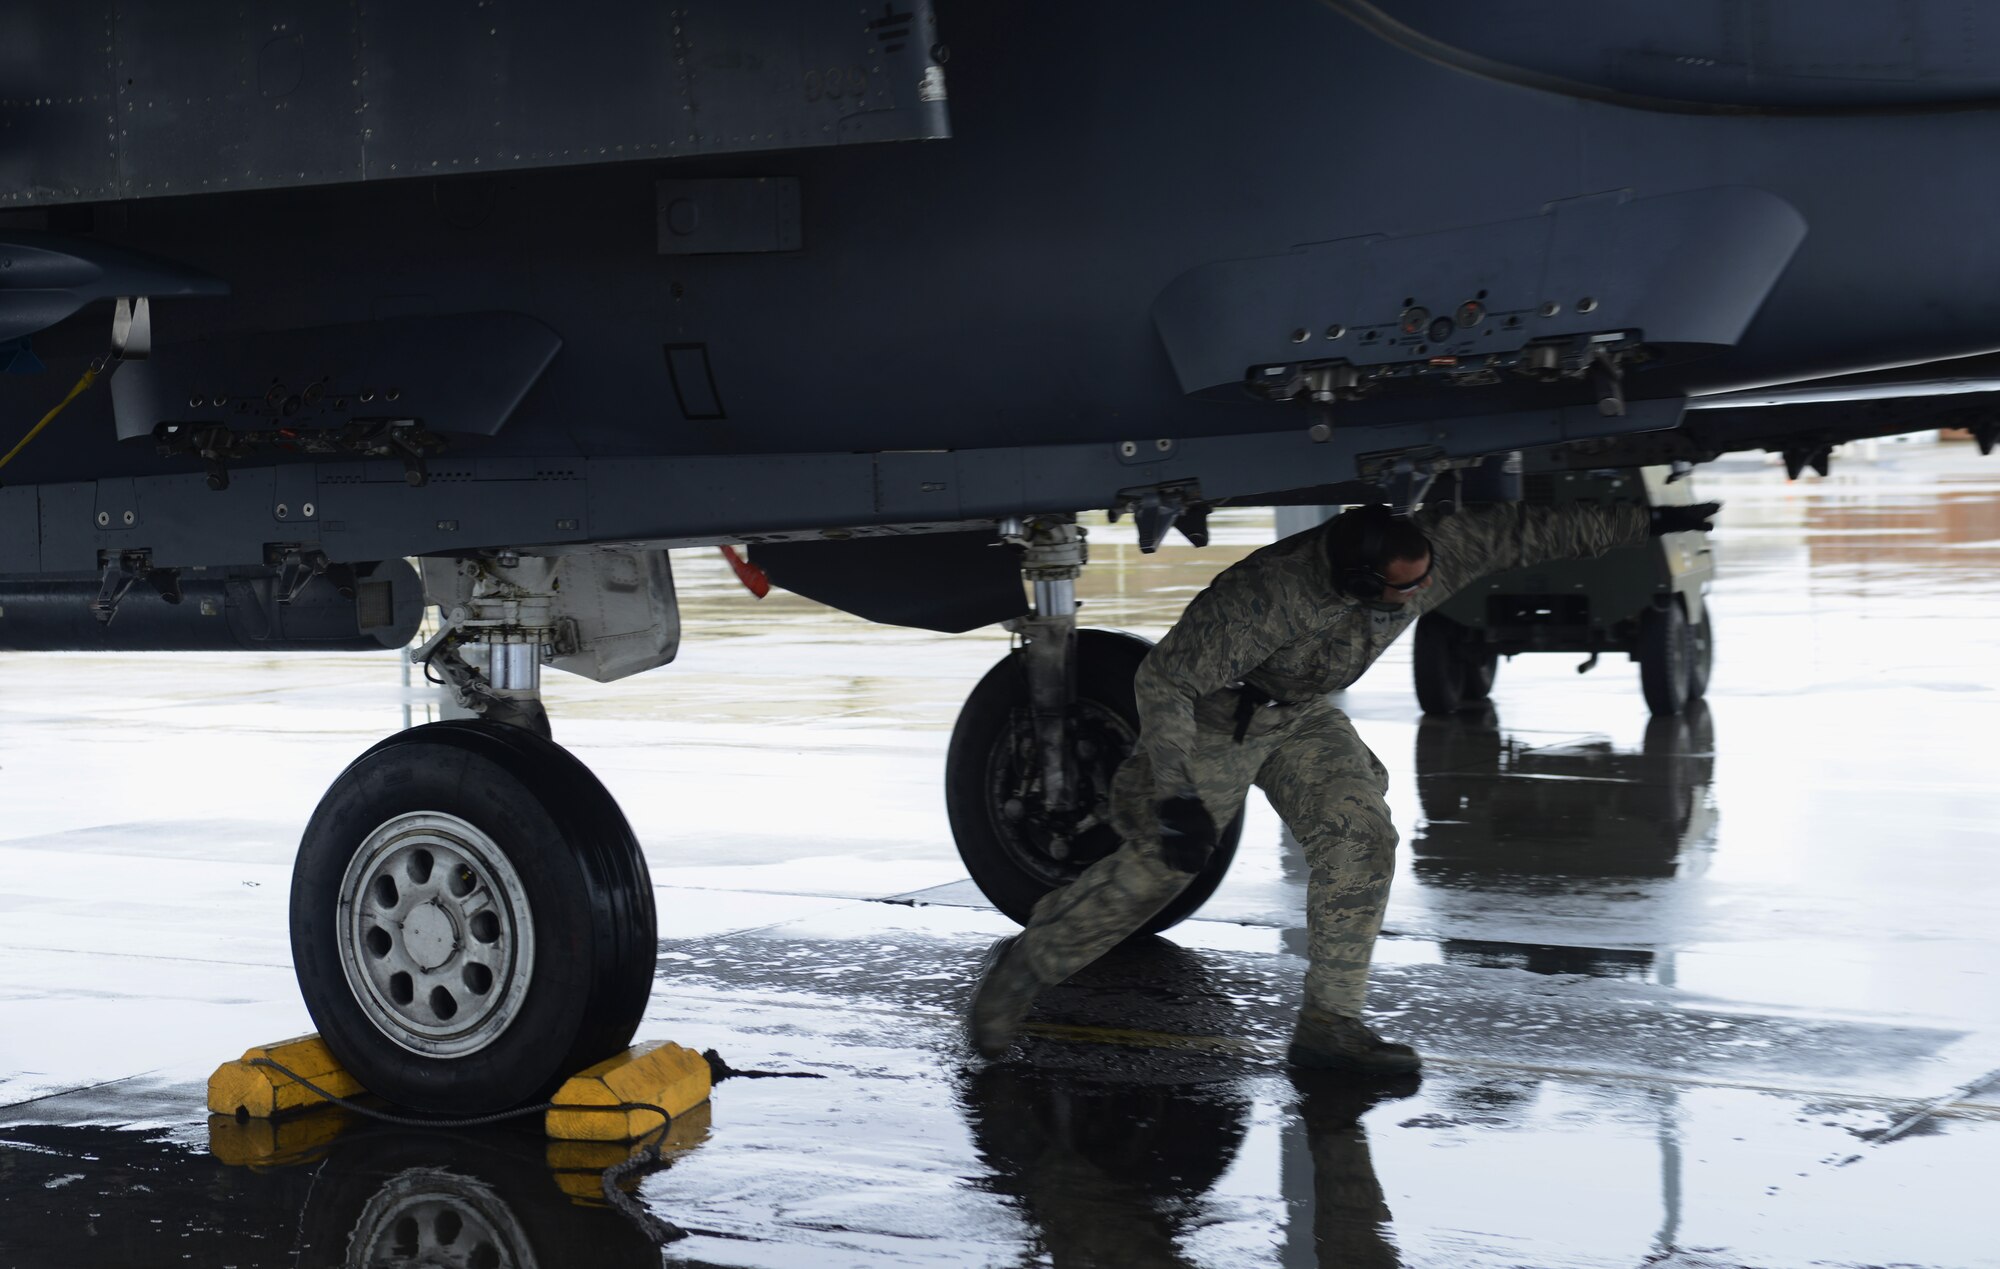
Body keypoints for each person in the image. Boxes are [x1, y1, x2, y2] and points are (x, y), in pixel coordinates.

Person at [969, 494, 1722, 1073]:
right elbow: (1166, 681)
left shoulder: (1430, 555)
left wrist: (1648, 520)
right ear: (1359, 581)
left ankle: (1331, 1027)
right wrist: (1172, 792)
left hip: (1297, 716)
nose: (1416, 595)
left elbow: (1529, 531)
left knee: (1363, 837)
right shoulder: (1265, 595)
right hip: (1212, 718)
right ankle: (1021, 971)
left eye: (1423, 581)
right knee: (1159, 869)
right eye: (1401, 590)